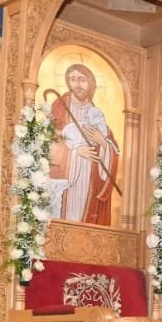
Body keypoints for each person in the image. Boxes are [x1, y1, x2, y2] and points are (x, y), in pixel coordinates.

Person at [48, 64, 120, 225]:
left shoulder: (97, 115)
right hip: (67, 180)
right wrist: (74, 151)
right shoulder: (59, 109)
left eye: (82, 80)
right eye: (73, 79)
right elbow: (48, 145)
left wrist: (103, 143)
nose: (77, 84)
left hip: (91, 184)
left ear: (91, 84)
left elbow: (114, 152)